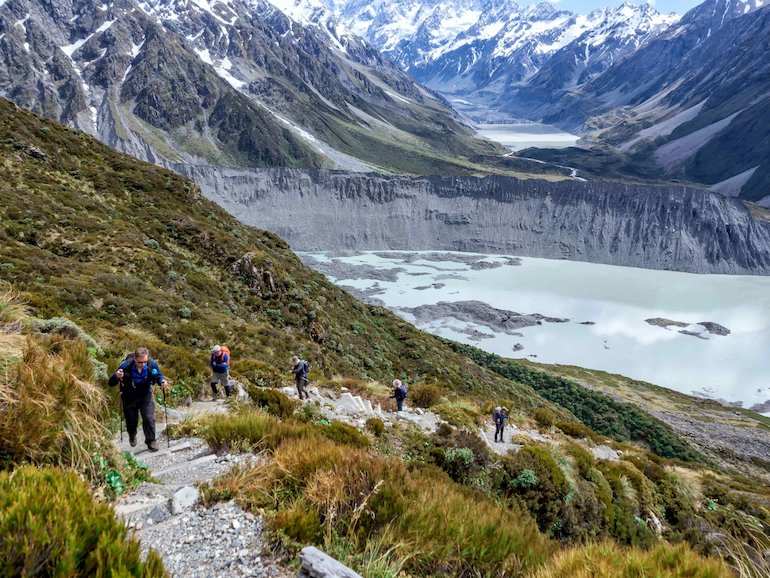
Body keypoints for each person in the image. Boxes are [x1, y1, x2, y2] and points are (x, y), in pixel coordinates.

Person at [109, 347, 167, 452]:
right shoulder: (126, 366)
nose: (143, 364)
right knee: (131, 420)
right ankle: (132, 435)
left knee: (149, 418)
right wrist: (117, 376)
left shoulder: (151, 364)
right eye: (141, 362)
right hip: (129, 396)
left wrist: (162, 381)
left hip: (145, 395)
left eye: (145, 361)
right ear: (135, 359)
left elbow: (158, 375)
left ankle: (151, 441)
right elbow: (111, 382)